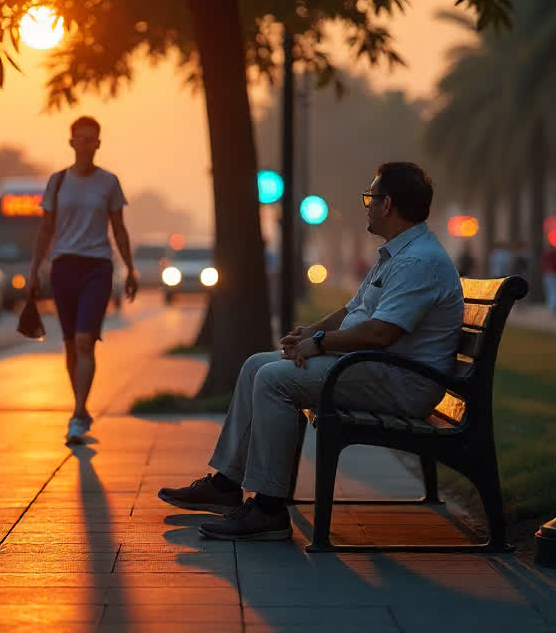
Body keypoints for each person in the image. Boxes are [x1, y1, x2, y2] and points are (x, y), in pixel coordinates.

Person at [157, 162, 463, 541]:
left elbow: (379, 333)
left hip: (400, 381)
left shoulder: (418, 262)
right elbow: (354, 311)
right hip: (375, 368)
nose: (366, 205)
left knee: (274, 380)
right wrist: (310, 332)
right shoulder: (399, 253)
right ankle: (226, 485)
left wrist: (317, 345)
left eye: (371, 197)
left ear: (388, 205)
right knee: (257, 365)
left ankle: (269, 510)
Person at [28, 116, 139, 445]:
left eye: (93, 139)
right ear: (71, 142)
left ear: (99, 144)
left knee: (84, 341)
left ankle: (78, 415)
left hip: (98, 267)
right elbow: (45, 228)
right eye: (81, 138)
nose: (87, 145)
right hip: (63, 267)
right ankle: (81, 409)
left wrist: (130, 269)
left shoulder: (109, 183)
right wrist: (34, 269)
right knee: (70, 346)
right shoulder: (58, 181)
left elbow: (118, 228)